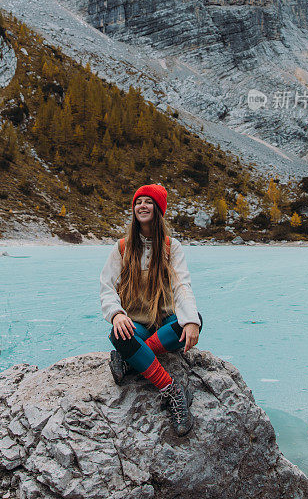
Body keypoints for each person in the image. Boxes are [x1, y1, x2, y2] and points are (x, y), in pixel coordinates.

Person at [99, 183, 203, 436]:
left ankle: (130, 358)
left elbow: (181, 285)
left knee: (195, 320)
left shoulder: (171, 246)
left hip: (164, 320)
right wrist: (117, 314)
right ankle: (173, 391)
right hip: (136, 323)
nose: (142, 206)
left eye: (148, 202)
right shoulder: (122, 247)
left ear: (158, 209)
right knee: (119, 334)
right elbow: (106, 287)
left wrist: (190, 321)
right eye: (138, 202)